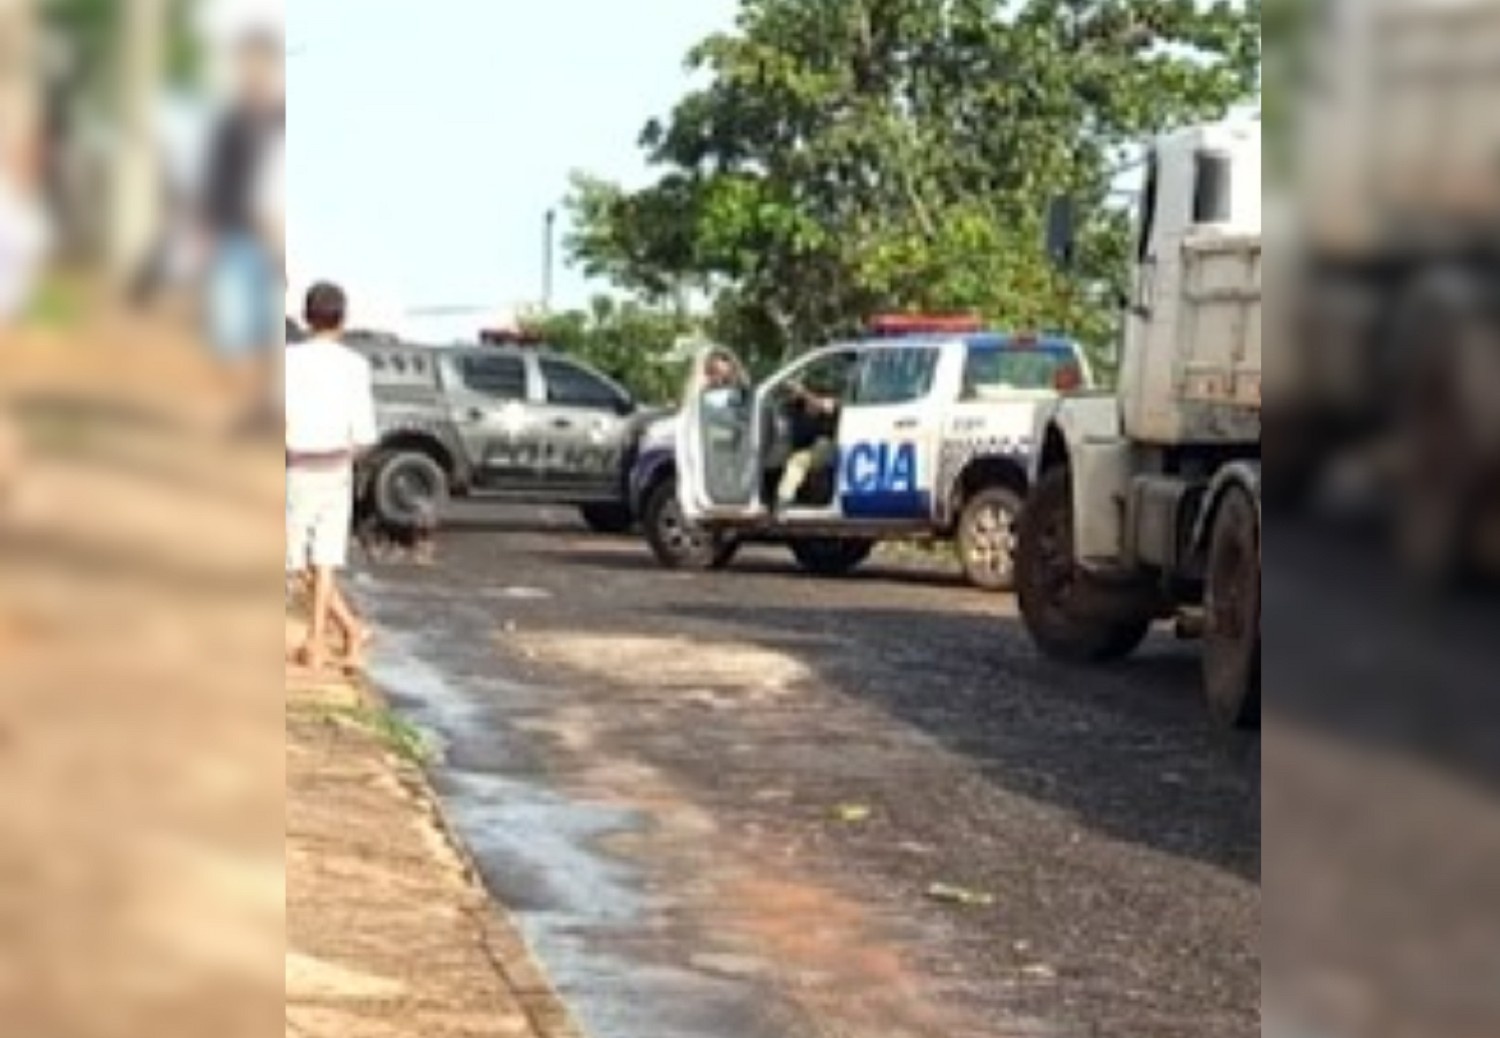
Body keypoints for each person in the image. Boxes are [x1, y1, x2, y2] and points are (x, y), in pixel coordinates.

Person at [285, 281, 377, 671]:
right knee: (323, 559)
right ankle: (337, 635)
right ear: (343, 319)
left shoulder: (287, 360)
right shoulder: (355, 366)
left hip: (297, 464)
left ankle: (325, 638)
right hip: (337, 466)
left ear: (306, 318)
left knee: (295, 559)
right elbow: (366, 432)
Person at [201, 27, 284, 435]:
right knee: (230, 330)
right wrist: (207, 232)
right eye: (245, 64)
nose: (252, 72)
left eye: (260, 63)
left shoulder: (284, 120)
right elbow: (213, 180)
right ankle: (241, 408)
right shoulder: (228, 123)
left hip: (274, 242)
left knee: (265, 330)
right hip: (234, 237)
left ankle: (258, 409)